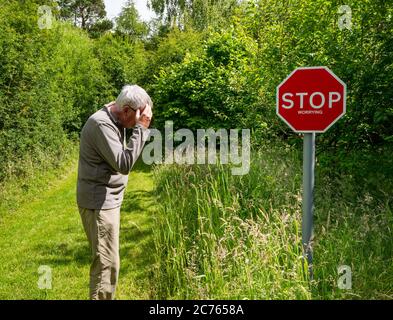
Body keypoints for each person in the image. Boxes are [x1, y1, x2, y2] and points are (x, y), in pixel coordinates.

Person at [76, 85, 153, 300]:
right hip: (99, 205)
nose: (135, 124)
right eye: (137, 118)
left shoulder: (115, 117)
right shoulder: (102, 124)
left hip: (106, 202)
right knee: (106, 267)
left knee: (108, 263)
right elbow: (124, 163)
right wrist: (142, 129)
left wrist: (137, 123)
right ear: (127, 110)